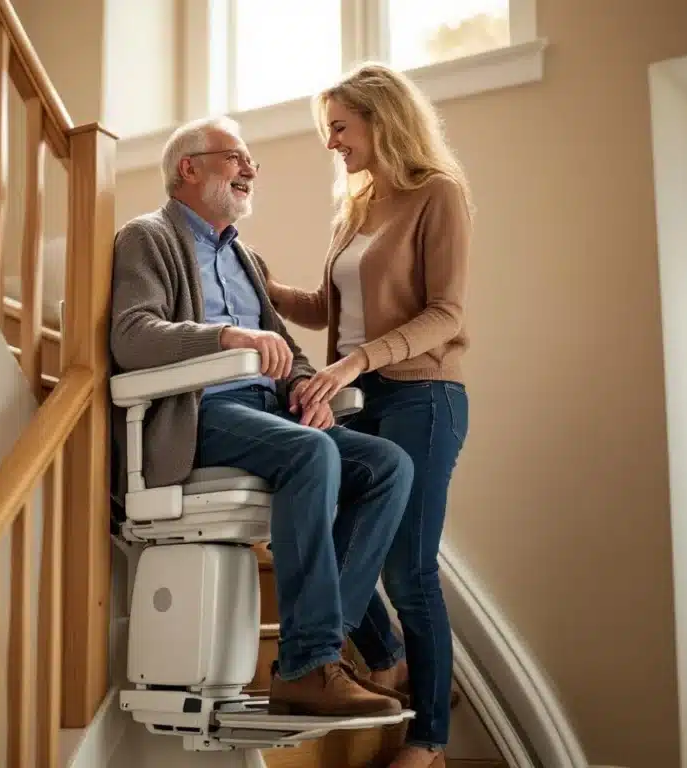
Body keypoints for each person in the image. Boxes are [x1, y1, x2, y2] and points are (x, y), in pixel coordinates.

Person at [109, 115, 417, 719]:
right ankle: (308, 663)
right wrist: (224, 336)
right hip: (201, 413)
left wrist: (306, 387)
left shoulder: (246, 258)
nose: (250, 169)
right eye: (235, 157)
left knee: (387, 465)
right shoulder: (147, 237)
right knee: (312, 452)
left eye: (251, 160)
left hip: (269, 412)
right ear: (188, 168)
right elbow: (132, 335)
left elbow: (287, 350)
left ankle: (322, 646)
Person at [266, 63, 472, 768]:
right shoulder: (354, 210)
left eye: (339, 128)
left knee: (409, 570)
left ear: (382, 121)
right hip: (356, 399)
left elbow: (446, 313)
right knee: (325, 535)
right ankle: (387, 659)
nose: (331, 143)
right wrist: (266, 287)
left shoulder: (437, 194)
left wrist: (358, 361)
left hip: (422, 396)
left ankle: (429, 743)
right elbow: (328, 310)